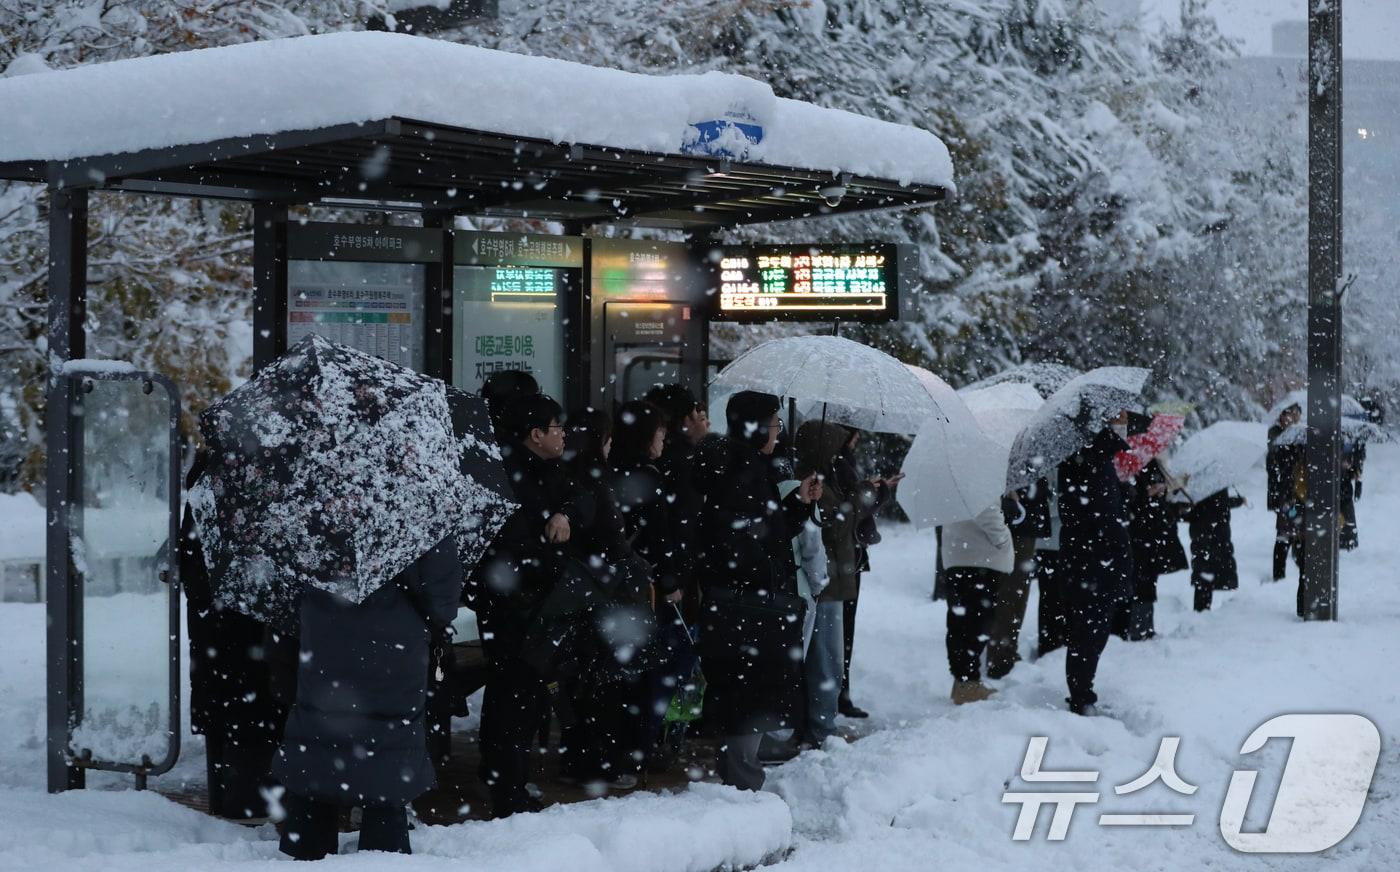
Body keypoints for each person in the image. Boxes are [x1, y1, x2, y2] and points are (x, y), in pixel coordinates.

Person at [272, 536, 464, 860]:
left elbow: (286, 592)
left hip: (325, 641)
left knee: (318, 735)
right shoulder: (419, 514)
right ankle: (383, 849)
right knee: (390, 743)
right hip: (396, 651)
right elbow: (443, 605)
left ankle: (309, 845)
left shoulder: (315, 510)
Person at [474, 394, 595, 817]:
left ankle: (508, 778)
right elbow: (511, 550)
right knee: (514, 699)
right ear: (536, 435)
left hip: (533, 606)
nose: (563, 435)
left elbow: (583, 499)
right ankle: (507, 790)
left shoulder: (548, 471)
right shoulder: (508, 476)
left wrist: (565, 514)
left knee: (520, 699)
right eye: (556, 427)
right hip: (514, 608)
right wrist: (549, 556)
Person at [692, 390, 820, 790]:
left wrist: (798, 504)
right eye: (775, 424)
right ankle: (743, 788)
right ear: (757, 426)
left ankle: (740, 780)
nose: (778, 434)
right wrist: (768, 573)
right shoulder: (740, 470)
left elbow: (768, 530)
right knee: (749, 694)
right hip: (748, 606)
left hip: (737, 604)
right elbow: (740, 539)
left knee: (742, 693)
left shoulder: (744, 465)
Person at [179, 455, 285, 820]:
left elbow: (192, 563)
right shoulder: (270, 483)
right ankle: (256, 800)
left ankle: (237, 799)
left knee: (231, 717)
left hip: (217, 630)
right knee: (257, 715)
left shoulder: (206, 485)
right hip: (253, 630)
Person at [609, 400, 691, 770]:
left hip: (620, 587)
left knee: (629, 669)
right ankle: (642, 745)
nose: (664, 437)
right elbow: (661, 537)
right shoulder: (648, 477)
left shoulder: (611, 472)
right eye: (659, 431)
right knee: (660, 665)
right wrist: (671, 579)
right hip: (649, 589)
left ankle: (627, 745)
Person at [795, 421, 886, 739]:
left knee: (826, 656)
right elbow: (830, 525)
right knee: (825, 658)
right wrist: (862, 497)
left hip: (829, 581)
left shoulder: (823, 479)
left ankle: (820, 721)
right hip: (825, 584)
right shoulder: (814, 483)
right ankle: (821, 725)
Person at [1057, 424, 1134, 716]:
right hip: (1094, 561)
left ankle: (1081, 690)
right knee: (1089, 631)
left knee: (1088, 630)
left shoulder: (1086, 460)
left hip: (1089, 560)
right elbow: (1101, 515)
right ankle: (1081, 695)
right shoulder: (1092, 461)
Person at [831, 428, 895, 719]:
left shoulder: (836, 462)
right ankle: (837, 695)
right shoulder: (838, 464)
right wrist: (878, 491)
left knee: (839, 633)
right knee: (841, 632)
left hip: (845, 558)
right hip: (843, 561)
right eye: (853, 434)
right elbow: (856, 510)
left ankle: (836, 694)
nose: (857, 438)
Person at [643, 384, 714, 617]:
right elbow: (683, 524)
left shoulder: (650, 457)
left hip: (649, 569)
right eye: (697, 413)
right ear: (688, 417)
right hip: (673, 576)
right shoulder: (684, 461)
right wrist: (674, 581)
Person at [941, 502, 1014, 704]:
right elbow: (987, 512)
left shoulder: (952, 475)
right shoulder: (979, 476)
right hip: (979, 557)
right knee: (976, 624)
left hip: (958, 554)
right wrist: (1005, 541)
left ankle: (963, 680)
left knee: (959, 623)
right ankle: (968, 683)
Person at [987, 479, 1052, 678]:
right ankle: (1001, 656)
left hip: (1019, 515)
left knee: (1012, 591)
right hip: (1016, 518)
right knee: (1012, 591)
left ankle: (1002, 650)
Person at [1117, 458, 1187, 641]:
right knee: (1140, 583)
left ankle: (1143, 627)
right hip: (1139, 536)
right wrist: (1146, 494)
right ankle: (1137, 628)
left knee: (1146, 583)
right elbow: (1130, 502)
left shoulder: (1152, 465)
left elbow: (1157, 502)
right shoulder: (1129, 469)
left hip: (1150, 536)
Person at [1185, 489, 1246, 612]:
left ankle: (1201, 610)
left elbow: (1189, 512)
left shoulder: (1196, 486)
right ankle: (1205, 611)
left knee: (1204, 571)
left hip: (1201, 532)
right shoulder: (1217, 482)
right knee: (1211, 570)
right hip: (1217, 532)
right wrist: (1237, 501)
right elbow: (1220, 504)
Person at [1267, 403, 1304, 582]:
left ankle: (1299, 564)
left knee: (1298, 530)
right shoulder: (1277, 435)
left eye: (1296, 414)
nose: (1293, 418)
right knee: (1284, 532)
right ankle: (1278, 575)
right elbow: (1274, 467)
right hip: (1285, 494)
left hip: (1297, 493)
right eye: (1290, 414)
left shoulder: (1299, 435)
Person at [1034, 479, 1067, 657]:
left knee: (1058, 596)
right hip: (1049, 541)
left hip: (1061, 540)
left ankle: (1056, 640)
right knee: (1051, 596)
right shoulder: (1047, 464)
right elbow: (1045, 502)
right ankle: (1049, 644)